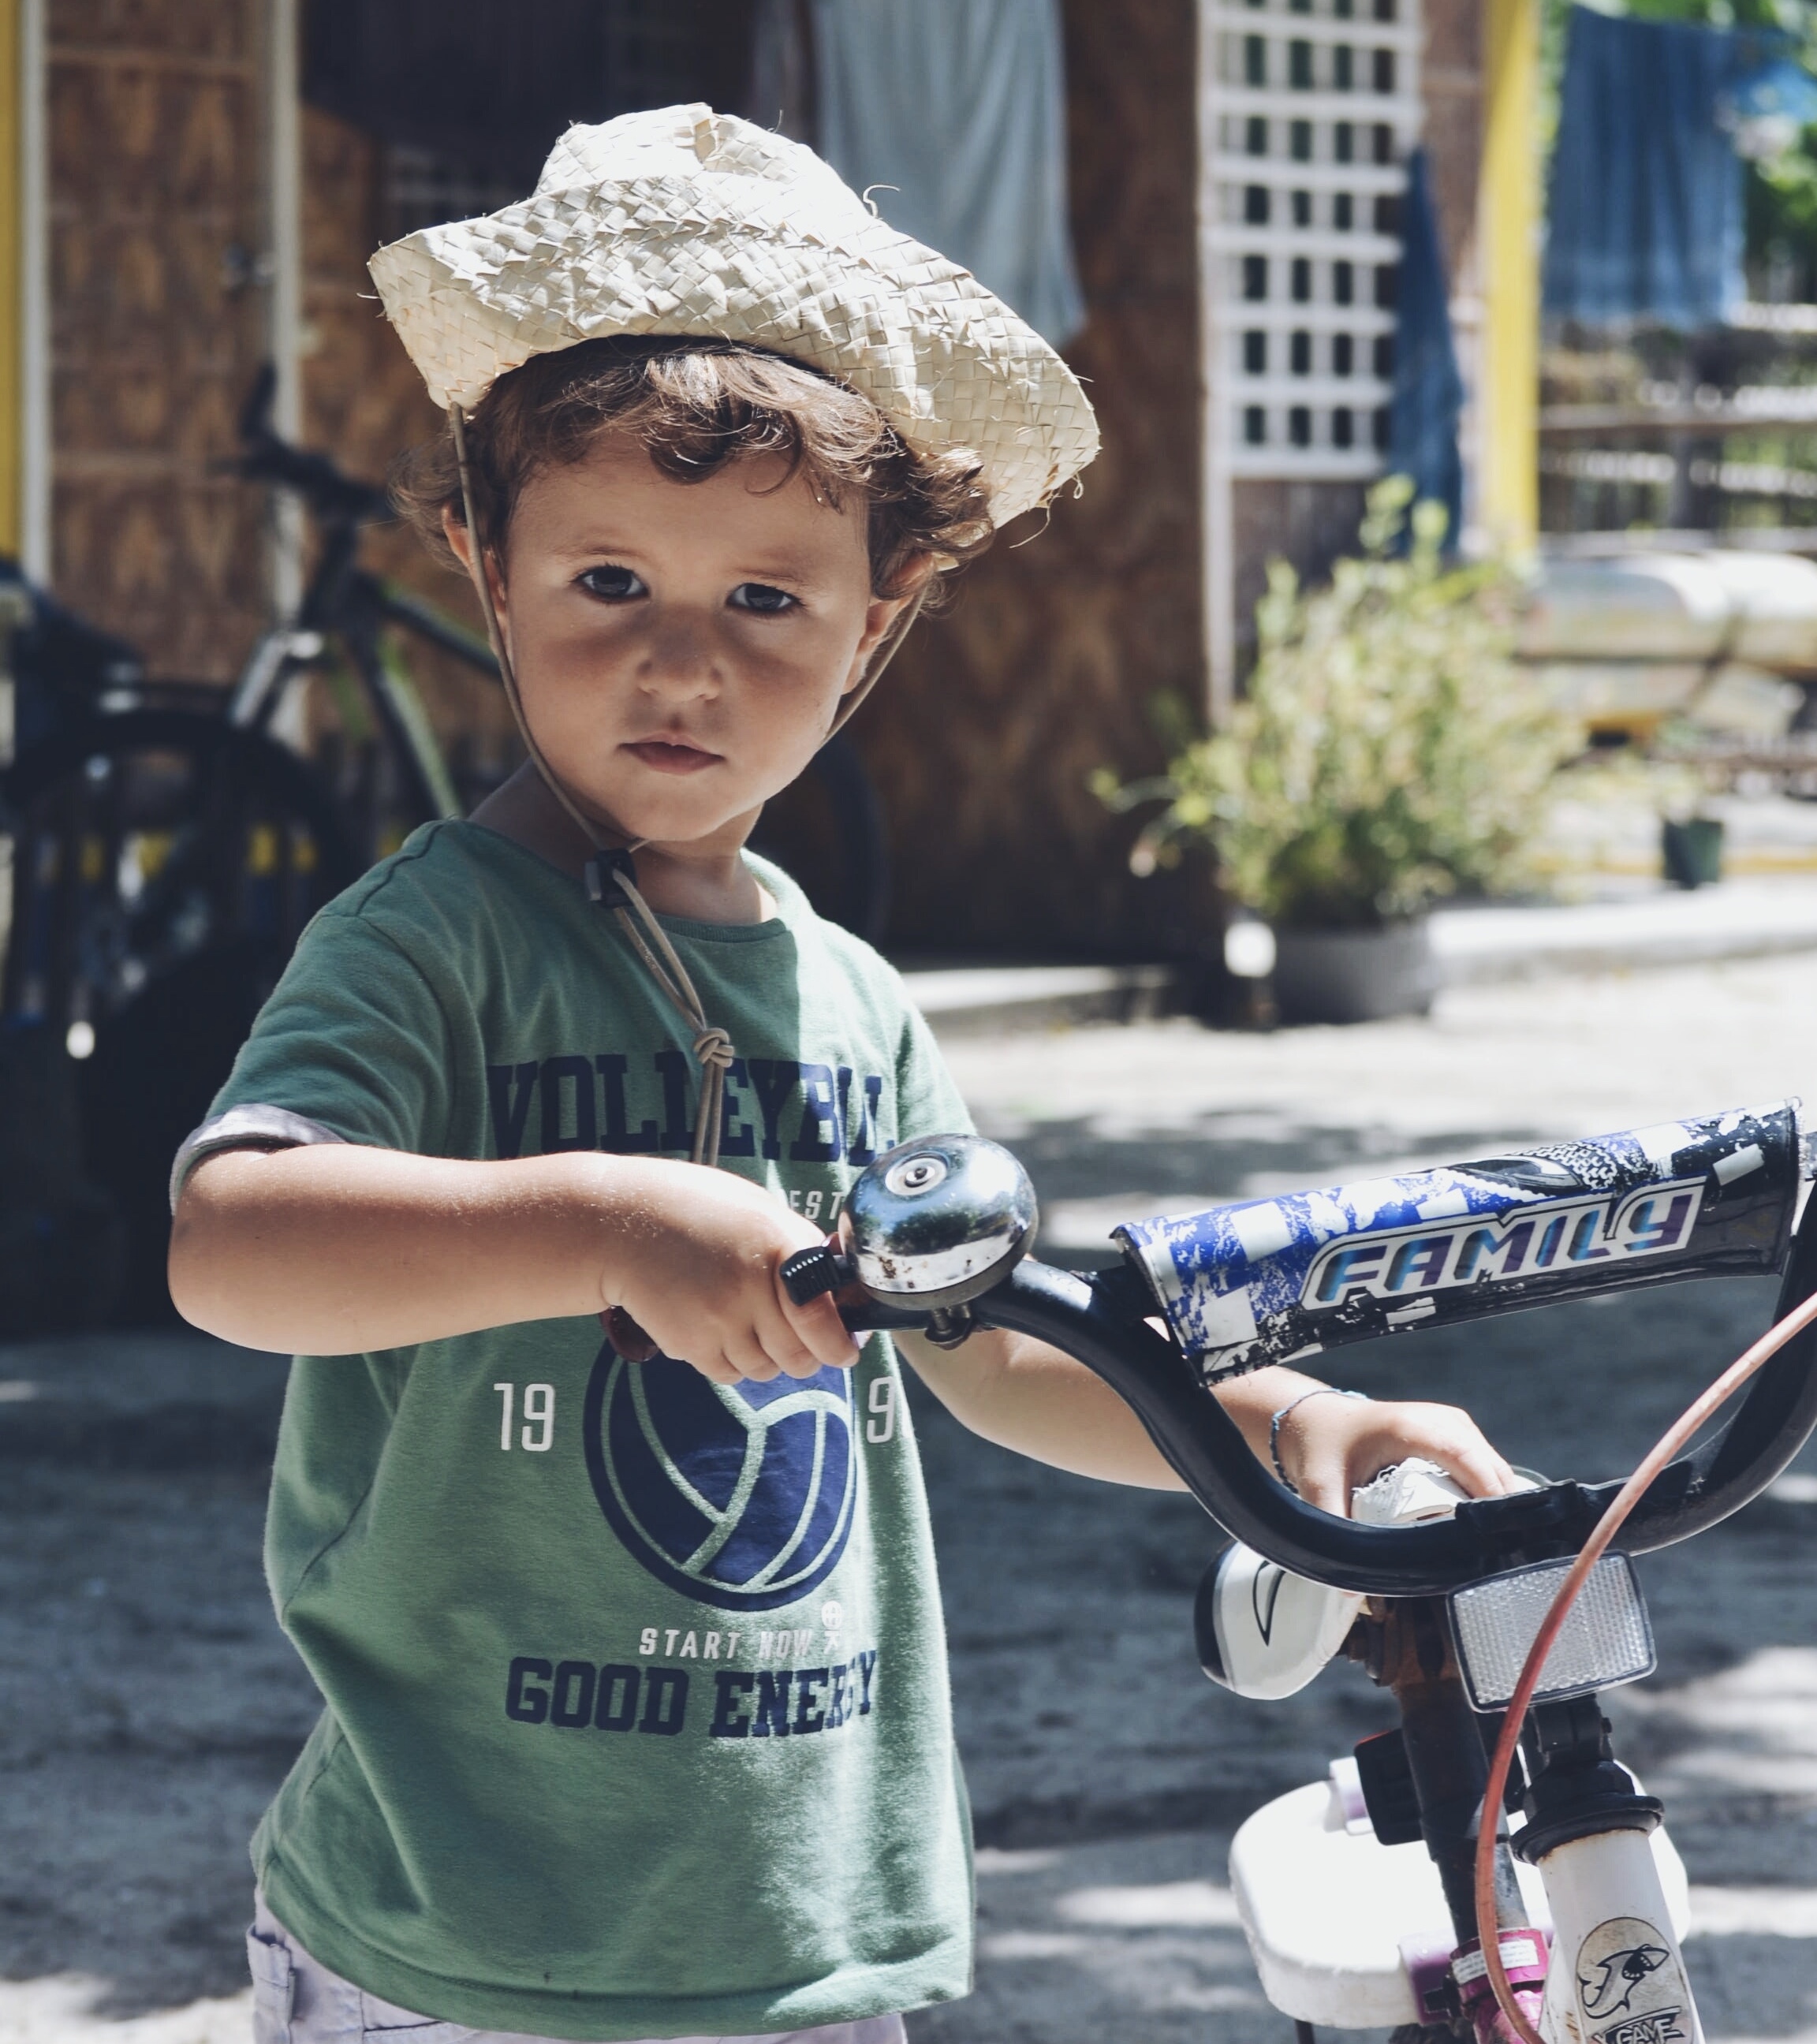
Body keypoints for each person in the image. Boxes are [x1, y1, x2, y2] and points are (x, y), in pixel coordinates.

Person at [168, 105, 1515, 2044]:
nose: (683, 667)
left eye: (767, 603)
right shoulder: (430, 940)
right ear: (487, 565)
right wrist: (610, 1218)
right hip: (458, 1941)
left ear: (877, 620)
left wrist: (1281, 1428)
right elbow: (236, 1243)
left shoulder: (855, 999)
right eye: (609, 586)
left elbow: (993, 1342)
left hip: (801, 1936)